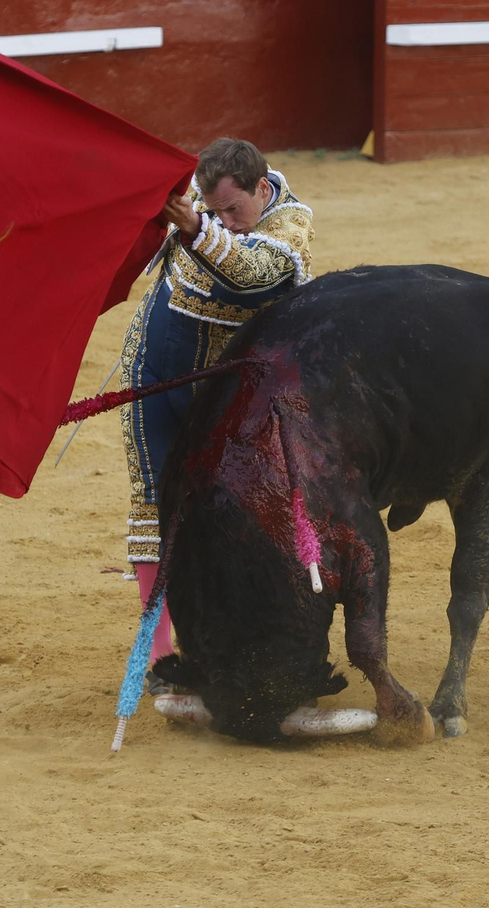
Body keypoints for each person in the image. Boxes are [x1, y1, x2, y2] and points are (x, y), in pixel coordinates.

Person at [117, 137, 315, 692]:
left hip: (234, 391)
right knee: (153, 506)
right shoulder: (197, 205)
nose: (225, 219)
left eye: (235, 209)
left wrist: (196, 228)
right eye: (214, 208)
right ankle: (159, 656)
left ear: (261, 187)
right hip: (155, 371)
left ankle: (244, 636)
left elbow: (253, 273)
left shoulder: (291, 224)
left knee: (242, 507)